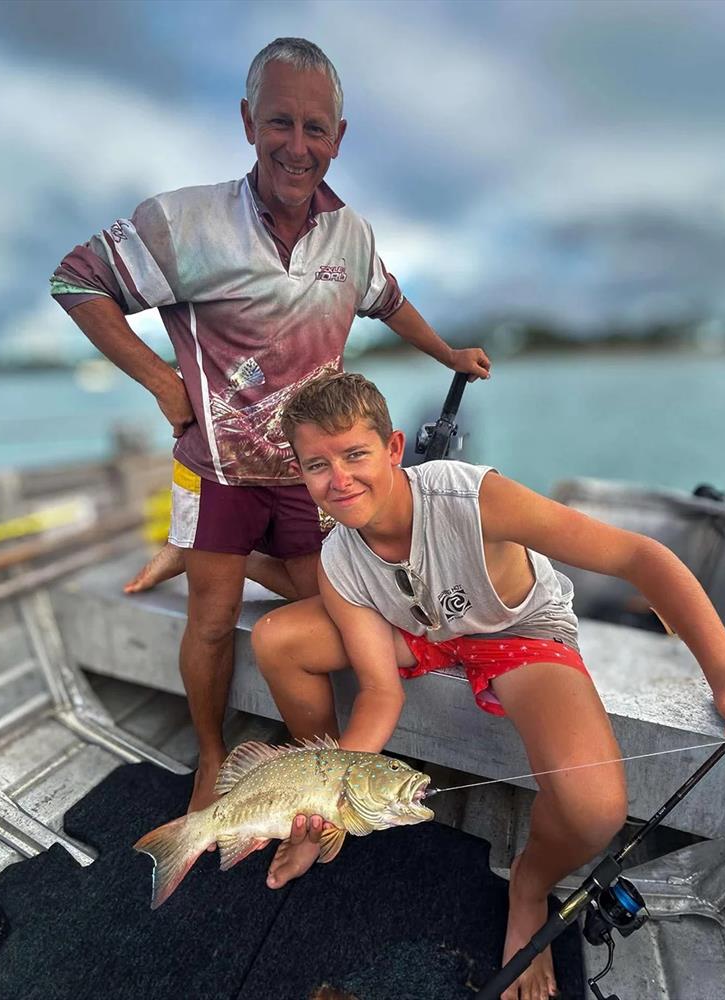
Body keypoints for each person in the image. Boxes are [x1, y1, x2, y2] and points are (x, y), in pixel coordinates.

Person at [49, 39, 490, 813]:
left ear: (338, 137)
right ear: (249, 122)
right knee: (212, 624)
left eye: (316, 128)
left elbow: (388, 300)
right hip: (218, 470)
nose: (297, 145)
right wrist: (161, 382)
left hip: (314, 475)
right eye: (280, 122)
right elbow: (76, 280)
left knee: (339, 608)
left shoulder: (350, 234)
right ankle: (211, 754)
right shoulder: (184, 220)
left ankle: (290, 721)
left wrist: (448, 353)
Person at [250, 372, 725, 1000]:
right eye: (318, 465)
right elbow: (380, 691)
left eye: (355, 454)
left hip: (518, 632)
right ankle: (314, 816)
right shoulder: (339, 559)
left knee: (594, 810)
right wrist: (330, 798)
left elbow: (639, 558)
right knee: (278, 638)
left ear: (393, 448)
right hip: (420, 628)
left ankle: (528, 886)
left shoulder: (471, 498)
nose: (339, 479)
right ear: (300, 472)